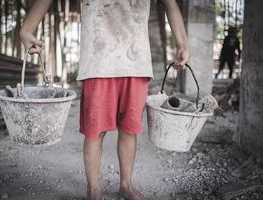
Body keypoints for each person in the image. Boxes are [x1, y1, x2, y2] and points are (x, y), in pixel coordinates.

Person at [20, 0, 189, 199]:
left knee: (129, 129)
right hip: (97, 61)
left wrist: (183, 44)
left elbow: (170, 3)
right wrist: (26, 29)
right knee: (94, 131)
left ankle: (126, 185)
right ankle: (94, 190)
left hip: (136, 61)